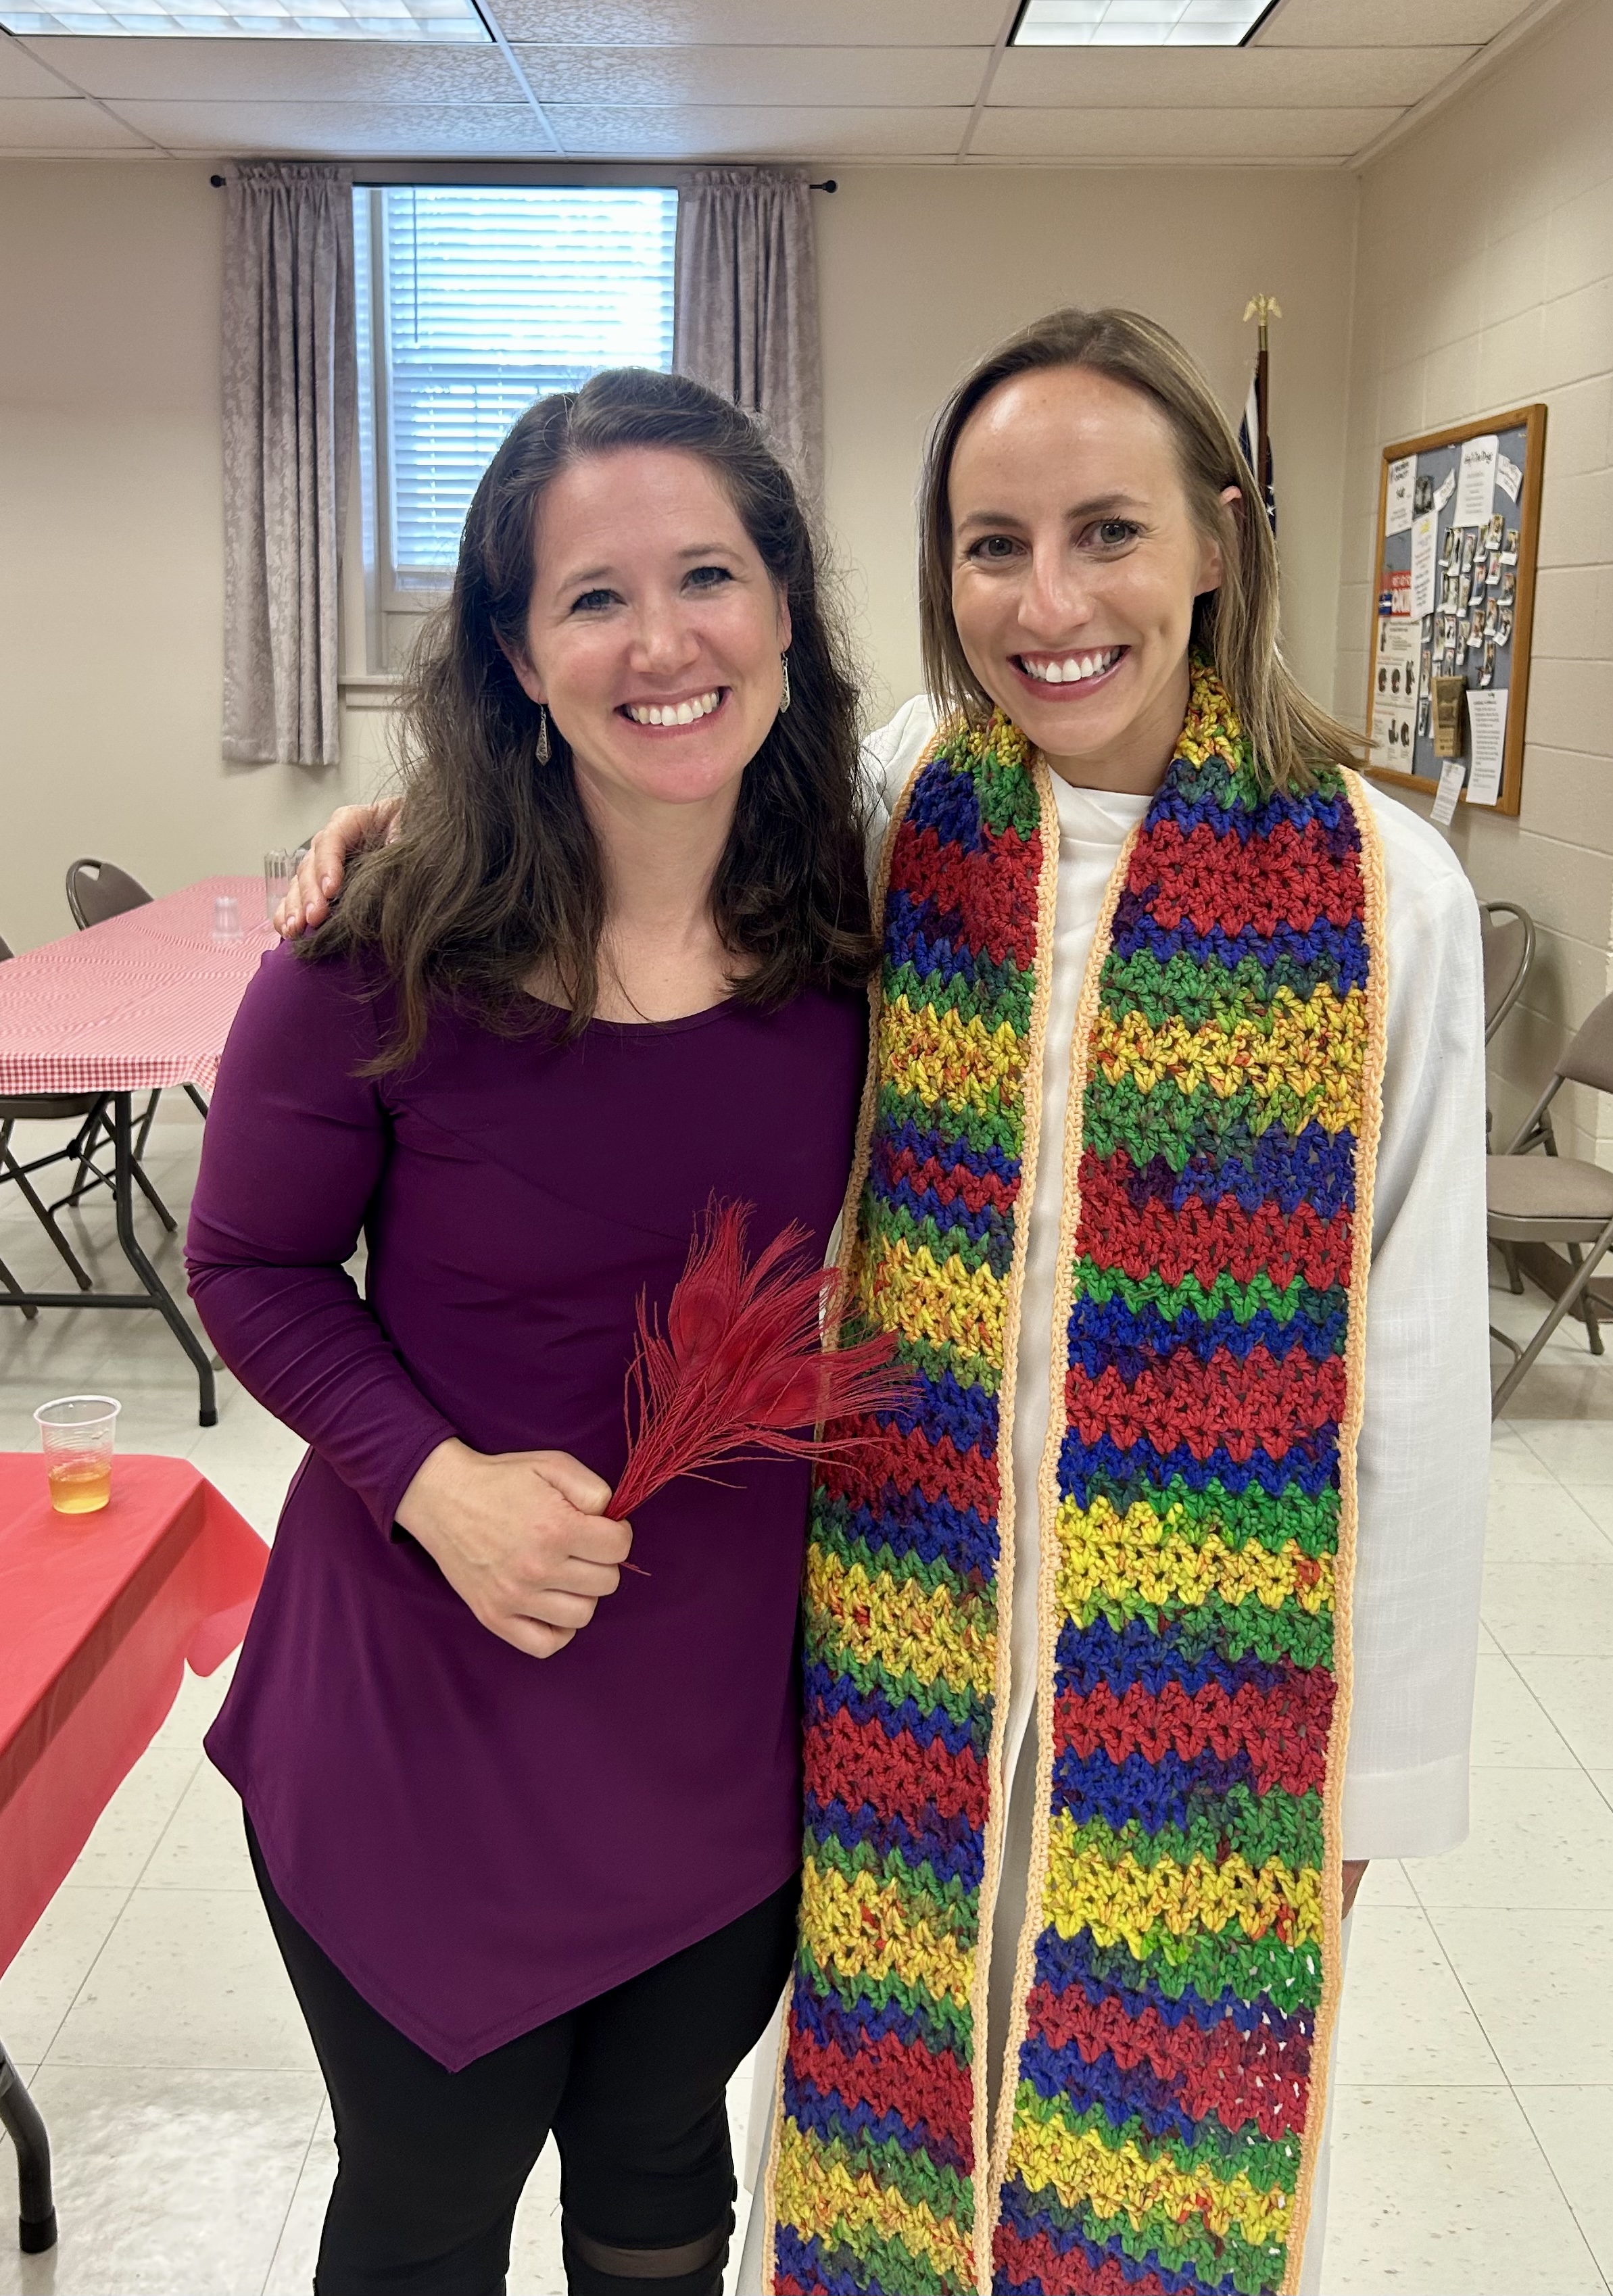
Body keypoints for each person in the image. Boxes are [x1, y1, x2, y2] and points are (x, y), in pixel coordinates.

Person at [289, 308, 1489, 2296]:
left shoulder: (1382, 893)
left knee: (1139, 2154)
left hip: (1203, 1674)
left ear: (1215, 538)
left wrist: (1359, 1783)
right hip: (892, 1627)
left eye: (1104, 533)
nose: (1048, 603)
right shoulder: (903, 805)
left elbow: (1421, 1374)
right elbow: (639, 823)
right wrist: (404, 834)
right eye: (988, 545)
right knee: (885, 2133)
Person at [187, 366, 875, 2296]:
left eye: (708, 577)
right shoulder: (378, 951)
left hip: (718, 1709)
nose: (662, 641)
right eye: (591, 597)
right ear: (513, 649)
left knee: (662, 2162)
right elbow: (247, 1269)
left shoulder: (872, 924)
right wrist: (436, 1486)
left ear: (785, 609)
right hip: (427, 1690)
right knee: (429, 2195)